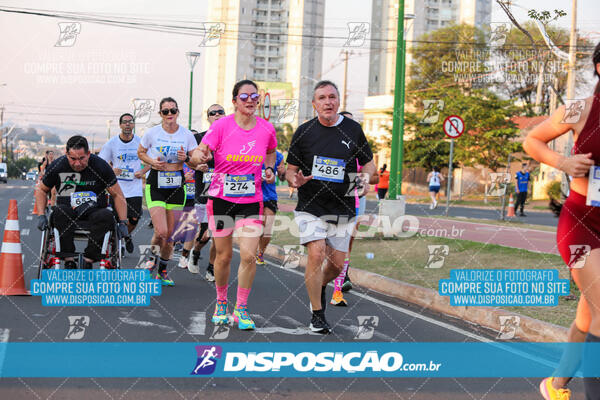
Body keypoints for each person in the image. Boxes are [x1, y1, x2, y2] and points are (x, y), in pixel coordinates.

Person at [523, 42, 600, 400]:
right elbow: (532, 139)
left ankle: (556, 385)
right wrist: (564, 163)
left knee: (588, 316)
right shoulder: (579, 109)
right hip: (582, 223)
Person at [286, 80, 376, 333]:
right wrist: (295, 179)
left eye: (332, 97)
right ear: (314, 104)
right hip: (310, 205)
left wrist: (366, 178)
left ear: (338, 101)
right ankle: (317, 313)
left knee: (336, 265)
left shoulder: (353, 129)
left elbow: (368, 164)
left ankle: (318, 288)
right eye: (322, 98)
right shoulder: (304, 132)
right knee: (315, 253)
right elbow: (290, 171)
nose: (328, 102)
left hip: (343, 205)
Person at [192, 80, 277, 330]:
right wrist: (201, 156)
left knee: (249, 255)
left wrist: (269, 168)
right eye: (244, 96)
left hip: (251, 199)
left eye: (254, 96)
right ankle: (221, 302)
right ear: (234, 101)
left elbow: (271, 151)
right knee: (224, 256)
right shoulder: (221, 126)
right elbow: (200, 151)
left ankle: (241, 308)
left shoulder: (266, 128)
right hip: (221, 199)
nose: (250, 100)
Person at [35, 135, 129, 269]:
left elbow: (118, 195)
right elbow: (41, 190)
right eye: (73, 159)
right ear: (66, 154)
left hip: (94, 210)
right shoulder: (58, 166)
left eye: (81, 158)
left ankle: (88, 259)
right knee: (59, 212)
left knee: (106, 216)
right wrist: (40, 215)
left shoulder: (101, 166)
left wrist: (123, 222)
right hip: (67, 209)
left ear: (88, 154)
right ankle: (68, 259)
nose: (77, 163)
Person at [137, 97, 198, 286]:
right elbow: (141, 152)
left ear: (178, 112)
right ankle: (150, 259)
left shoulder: (187, 135)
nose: (170, 114)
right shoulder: (152, 133)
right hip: (156, 183)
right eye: (165, 111)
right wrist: (152, 162)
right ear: (160, 114)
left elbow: (195, 160)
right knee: (161, 231)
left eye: (173, 110)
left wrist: (186, 157)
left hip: (177, 184)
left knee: (170, 235)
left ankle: (162, 270)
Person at [99, 113, 150, 254]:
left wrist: (143, 170)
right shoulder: (112, 143)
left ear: (133, 125)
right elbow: (101, 162)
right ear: (120, 125)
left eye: (130, 122)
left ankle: (126, 236)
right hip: (117, 187)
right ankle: (119, 241)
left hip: (134, 187)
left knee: (134, 218)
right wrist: (111, 170)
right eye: (125, 122)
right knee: (117, 218)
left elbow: (152, 160)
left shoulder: (140, 142)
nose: (128, 124)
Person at [187, 105, 225, 281]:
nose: (217, 115)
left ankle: (211, 268)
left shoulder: (231, 136)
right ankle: (195, 251)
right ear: (207, 117)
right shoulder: (198, 138)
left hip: (225, 191)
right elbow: (188, 160)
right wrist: (197, 165)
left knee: (217, 233)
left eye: (220, 112)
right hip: (204, 190)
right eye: (213, 113)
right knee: (205, 232)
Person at [256, 149, 285, 265]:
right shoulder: (253, 152)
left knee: (267, 229)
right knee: (256, 228)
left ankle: (260, 253)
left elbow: (282, 178)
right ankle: (251, 250)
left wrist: (282, 172)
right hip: (253, 195)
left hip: (270, 196)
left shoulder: (278, 156)